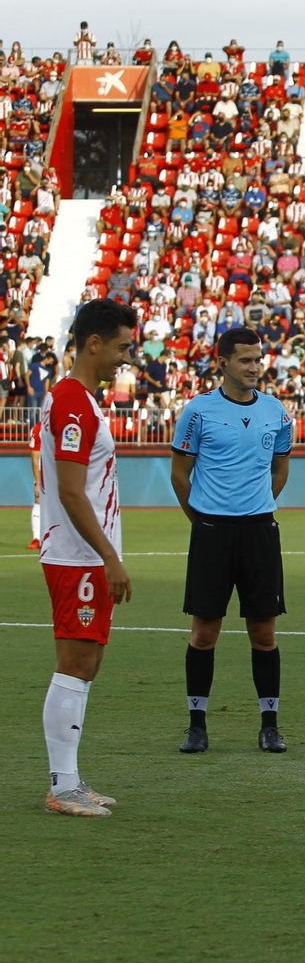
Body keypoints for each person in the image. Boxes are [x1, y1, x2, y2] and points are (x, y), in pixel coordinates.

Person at [169, 328, 294, 755]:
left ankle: (270, 726)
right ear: (222, 363)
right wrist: (203, 520)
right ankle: (196, 727)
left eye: (258, 359)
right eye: (245, 360)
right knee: (204, 634)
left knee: (264, 633)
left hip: (259, 532)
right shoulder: (198, 411)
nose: (254, 367)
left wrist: (255, 508)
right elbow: (179, 474)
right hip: (212, 533)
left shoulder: (276, 412)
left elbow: (280, 469)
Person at [38, 299, 137, 817]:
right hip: (76, 556)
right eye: (121, 347)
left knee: (87, 663)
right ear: (93, 343)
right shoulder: (73, 403)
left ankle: (70, 779)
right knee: (75, 663)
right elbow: (72, 492)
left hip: (84, 556)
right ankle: (62, 786)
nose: (126, 358)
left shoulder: (80, 400)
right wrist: (109, 558)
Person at [28, 420, 42, 549]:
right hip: (44, 472)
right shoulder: (38, 429)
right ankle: (36, 538)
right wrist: (38, 482)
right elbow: (34, 458)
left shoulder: (64, 427)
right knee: (38, 501)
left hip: (62, 472)